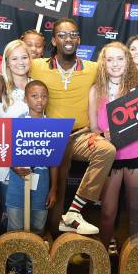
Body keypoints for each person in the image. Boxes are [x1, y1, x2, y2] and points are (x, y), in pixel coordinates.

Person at [28, 18, 116, 237]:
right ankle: (50, 243)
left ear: (79, 39)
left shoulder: (93, 68)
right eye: (62, 35)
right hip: (49, 137)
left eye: (73, 35)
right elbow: (13, 68)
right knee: (53, 195)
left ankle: (74, 211)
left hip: (80, 135)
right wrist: (1, 79)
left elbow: (120, 77)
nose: (68, 39)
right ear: (54, 39)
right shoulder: (37, 65)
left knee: (107, 150)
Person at [88, 42, 138, 248]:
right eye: (110, 59)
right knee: (107, 212)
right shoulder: (96, 90)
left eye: (120, 58)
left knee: (135, 212)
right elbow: (94, 128)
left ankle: (132, 262)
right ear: (103, 63)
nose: (115, 64)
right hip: (110, 157)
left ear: (128, 61)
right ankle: (102, 260)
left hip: (137, 154)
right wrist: (102, 134)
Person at [4, 80, 58, 274]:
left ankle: (31, 267)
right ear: (25, 99)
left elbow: (55, 162)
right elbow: (6, 153)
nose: (39, 100)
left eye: (43, 96)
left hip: (41, 187)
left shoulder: (52, 126)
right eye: (34, 96)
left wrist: (53, 189)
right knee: (15, 229)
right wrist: (14, 167)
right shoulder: (16, 123)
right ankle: (15, 267)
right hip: (18, 187)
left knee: (37, 229)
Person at [0, 39, 32, 230]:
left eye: (24, 57)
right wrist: (13, 133)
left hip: (32, 157)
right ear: (7, 62)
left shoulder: (37, 85)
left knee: (30, 212)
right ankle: (11, 259)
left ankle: (29, 256)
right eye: (14, 58)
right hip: (7, 155)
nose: (20, 62)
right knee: (10, 213)